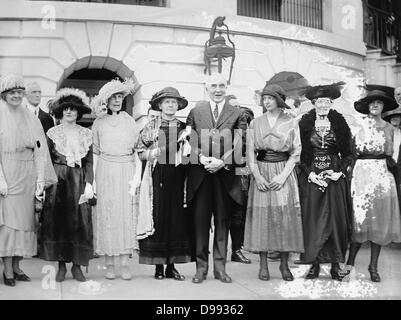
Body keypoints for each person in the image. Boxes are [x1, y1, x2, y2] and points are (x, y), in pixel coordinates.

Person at [186, 74, 248, 284]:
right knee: (200, 223)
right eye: (214, 85)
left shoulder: (237, 113)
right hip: (201, 175)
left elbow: (240, 141)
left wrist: (222, 162)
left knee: (223, 223)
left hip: (225, 176)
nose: (218, 89)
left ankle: (220, 269)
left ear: (226, 87)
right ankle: (201, 269)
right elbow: (188, 140)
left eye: (222, 85)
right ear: (207, 87)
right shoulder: (196, 111)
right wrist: (202, 158)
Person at [0, 74, 57, 286]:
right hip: (7, 172)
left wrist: (40, 181)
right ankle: (7, 269)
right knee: (9, 225)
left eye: (19, 93)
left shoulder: (30, 118)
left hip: (27, 175)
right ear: (5, 95)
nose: (15, 96)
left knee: (25, 224)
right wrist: (1, 180)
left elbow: (40, 151)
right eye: (11, 93)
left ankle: (16, 266)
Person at [244, 84, 303, 281]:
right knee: (263, 218)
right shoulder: (255, 123)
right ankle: (263, 265)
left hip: (282, 171)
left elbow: (295, 153)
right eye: (264, 98)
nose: (266, 101)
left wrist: (283, 176)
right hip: (261, 170)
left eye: (270, 98)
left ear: (279, 100)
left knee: (284, 217)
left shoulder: (291, 121)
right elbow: (250, 152)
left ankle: (285, 265)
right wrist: (258, 177)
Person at [340, 90, 401, 282]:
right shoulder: (358, 125)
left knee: (380, 220)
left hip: (382, 173)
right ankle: (349, 265)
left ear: (384, 107)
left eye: (379, 103)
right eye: (371, 103)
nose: (375, 105)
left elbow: (392, 153)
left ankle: (373, 267)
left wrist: (391, 165)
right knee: (360, 219)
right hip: (362, 172)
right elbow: (350, 150)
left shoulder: (390, 129)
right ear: (367, 106)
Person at [136, 87, 194, 280]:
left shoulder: (184, 128)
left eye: (174, 102)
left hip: (178, 177)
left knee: (176, 220)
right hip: (157, 175)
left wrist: (187, 151)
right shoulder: (150, 126)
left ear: (178, 106)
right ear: (160, 105)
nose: (170, 105)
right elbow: (139, 151)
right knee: (159, 218)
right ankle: (158, 266)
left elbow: (190, 157)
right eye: (167, 102)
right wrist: (151, 154)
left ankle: (172, 266)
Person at [298, 82, 353, 281]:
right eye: (319, 102)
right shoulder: (305, 124)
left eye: (326, 101)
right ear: (314, 103)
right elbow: (301, 155)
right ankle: (314, 263)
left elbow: (349, 154)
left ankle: (337, 264)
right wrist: (310, 174)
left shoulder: (340, 123)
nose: (323, 105)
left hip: (334, 174)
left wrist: (339, 173)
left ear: (331, 103)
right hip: (313, 174)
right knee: (313, 219)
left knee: (335, 219)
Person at [39, 88, 94, 282]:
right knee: (59, 221)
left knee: (80, 222)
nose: (69, 112)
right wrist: (44, 183)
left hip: (78, 179)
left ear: (79, 112)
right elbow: (45, 159)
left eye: (73, 109)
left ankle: (77, 266)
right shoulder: (53, 133)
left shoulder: (86, 134)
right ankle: (61, 265)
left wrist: (89, 184)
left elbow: (89, 161)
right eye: (66, 109)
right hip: (58, 179)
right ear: (60, 112)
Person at [91, 78, 141, 280]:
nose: (117, 100)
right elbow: (94, 152)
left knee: (124, 215)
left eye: (120, 97)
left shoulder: (129, 120)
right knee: (108, 215)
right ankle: (109, 263)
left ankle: (124, 263)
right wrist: (92, 181)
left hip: (126, 169)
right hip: (104, 169)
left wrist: (137, 177)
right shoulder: (98, 123)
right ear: (107, 100)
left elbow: (137, 150)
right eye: (114, 97)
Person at [225, 94, 253, 264]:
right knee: (222, 214)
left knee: (238, 214)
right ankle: (217, 249)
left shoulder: (245, 127)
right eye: (233, 106)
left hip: (240, 176)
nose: (238, 110)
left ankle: (236, 249)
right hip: (222, 173)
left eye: (239, 106)